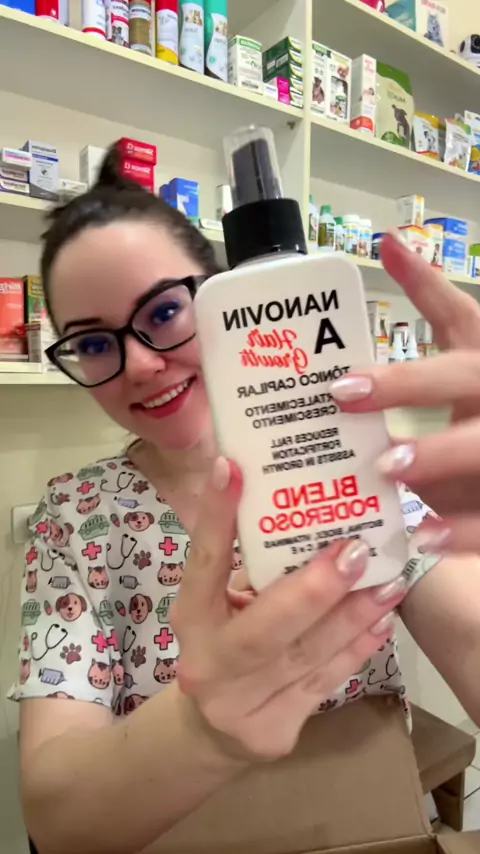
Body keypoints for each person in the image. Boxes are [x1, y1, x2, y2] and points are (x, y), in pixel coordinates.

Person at [9, 147, 480, 854]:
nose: (140, 363)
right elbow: (57, 815)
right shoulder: (76, 518)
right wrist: (201, 730)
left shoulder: (351, 466)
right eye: (93, 344)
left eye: (165, 311)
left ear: (225, 299)